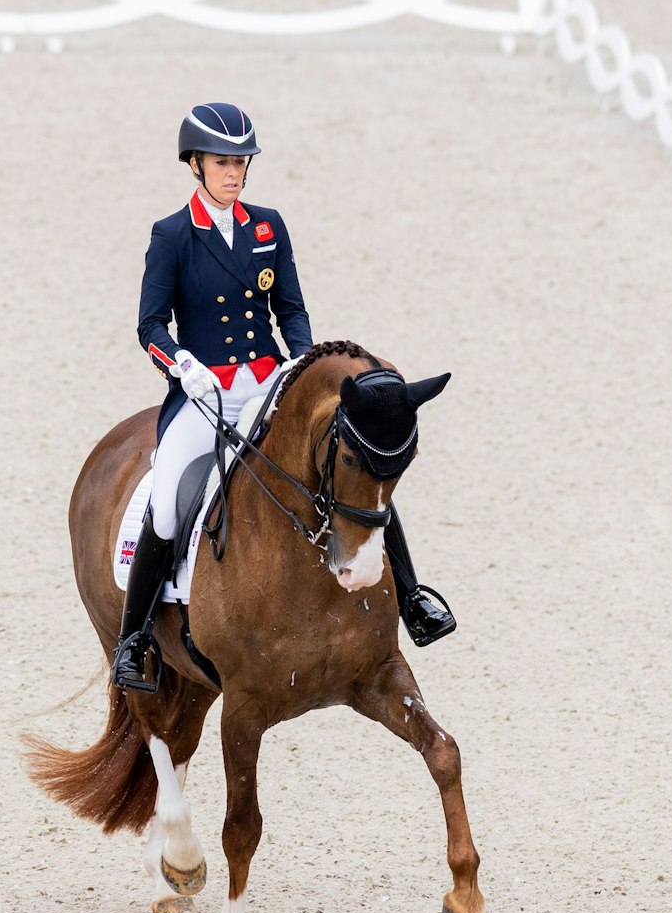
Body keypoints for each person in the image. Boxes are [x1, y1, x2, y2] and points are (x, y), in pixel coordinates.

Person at [112, 102, 456, 691]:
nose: (234, 174)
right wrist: (182, 366)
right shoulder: (172, 235)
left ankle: (414, 596)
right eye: (222, 163)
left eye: (241, 163)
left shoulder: (267, 226)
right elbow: (150, 326)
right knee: (167, 496)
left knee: (354, 463)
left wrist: (299, 362)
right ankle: (135, 638)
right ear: (195, 164)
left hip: (270, 381)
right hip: (205, 392)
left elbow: (290, 309)